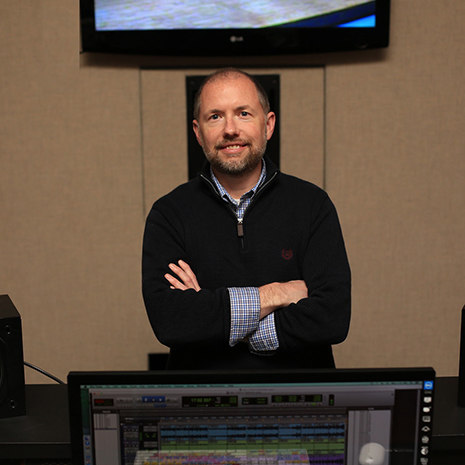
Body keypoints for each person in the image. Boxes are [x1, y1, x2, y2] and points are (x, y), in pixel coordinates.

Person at [142, 68, 350, 369]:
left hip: (298, 404)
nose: (230, 130)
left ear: (268, 125)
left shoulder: (312, 205)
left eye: (243, 113)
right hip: (203, 406)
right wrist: (277, 293)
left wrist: (216, 322)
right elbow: (172, 322)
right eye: (215, 116)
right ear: (198, 132)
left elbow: (333, 319)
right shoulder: (168, 214)